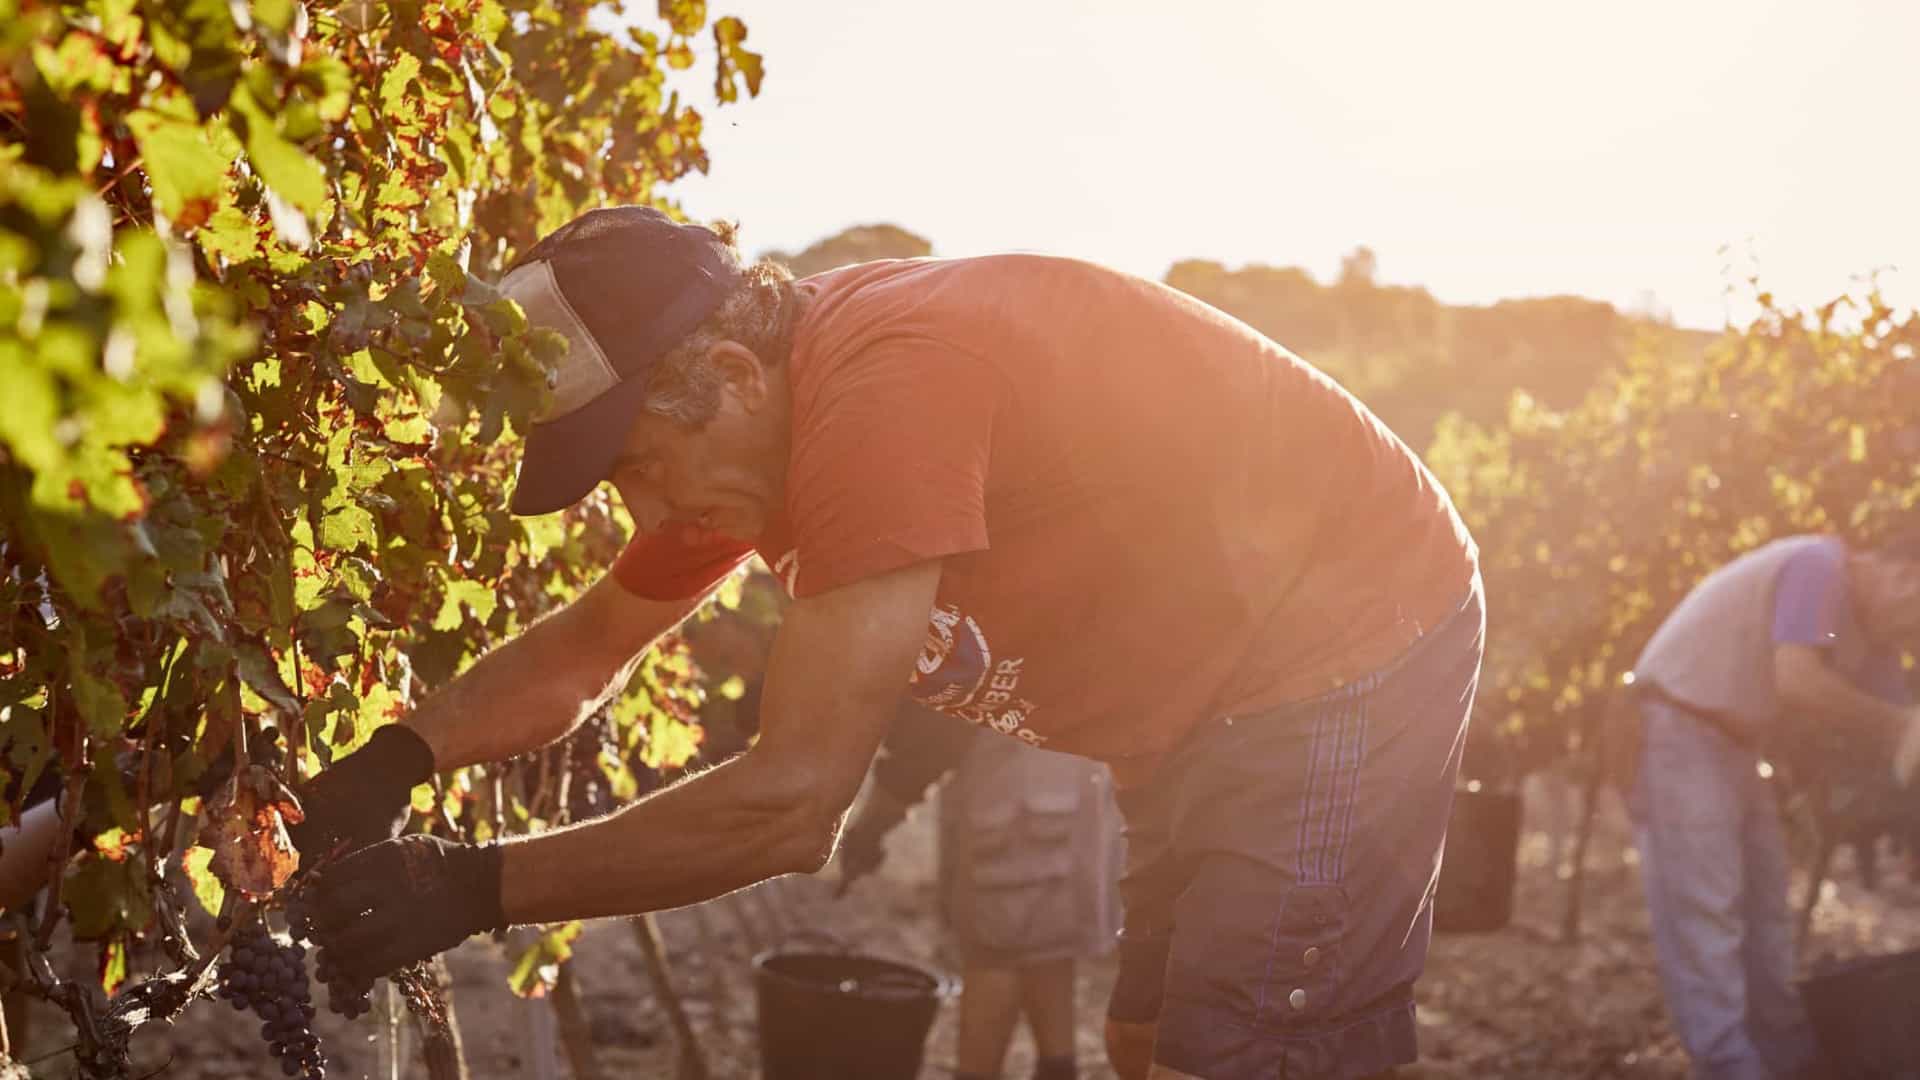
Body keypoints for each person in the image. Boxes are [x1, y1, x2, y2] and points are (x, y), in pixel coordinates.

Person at [292, 206, 1483, 1079]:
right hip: (1195, 709)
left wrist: (474, 886)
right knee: (1151, 1039)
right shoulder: (757, 433)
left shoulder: (883, 399)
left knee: (1252, 1056)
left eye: (637, 469)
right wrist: (390, 764)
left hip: (1340, 652)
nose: (643, 520)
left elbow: (792, 804)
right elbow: (589, 647)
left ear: (727, 373)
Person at [1625, 532, 1920, 1080]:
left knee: (1767, 917)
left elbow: (1902, 752)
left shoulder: (1873, 632)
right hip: (1678, 728)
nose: (1911, 636)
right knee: (1708, 915)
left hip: (1737, 745)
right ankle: (1730, 1067)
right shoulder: (1819, 566)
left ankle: (1791, 1063)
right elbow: (1798, 682)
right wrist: (1903, 727)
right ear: (1904, 572)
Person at [837, 704, 1123, 1080]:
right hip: (1071, 780)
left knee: (994, 952)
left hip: (1021, 789)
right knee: (1044, 942)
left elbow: (924, 748)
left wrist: (869, 830)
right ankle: (1058, 1069)